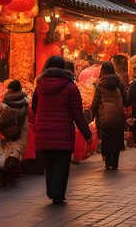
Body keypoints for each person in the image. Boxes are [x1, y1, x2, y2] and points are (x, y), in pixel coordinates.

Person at [31, 56, 92, 204]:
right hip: (63, 132)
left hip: (44, 132)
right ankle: (58, 194)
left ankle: (52, 191)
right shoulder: (71, 87)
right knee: (62, 164)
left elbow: (34, 107)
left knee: (50, 162)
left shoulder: (40, 85)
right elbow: (77, 114)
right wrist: (87, 134)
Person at [0, 80, 29, 186]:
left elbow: (1, 118)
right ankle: (12, 169)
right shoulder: (24, 101)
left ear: (10, 90)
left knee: (6, 150)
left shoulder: (7, 104)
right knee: (16, 149)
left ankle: (5, 175)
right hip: (21, 128)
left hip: (9, 131)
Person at [91, 62, 127, 170]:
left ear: (103, 71)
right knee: (117, 138)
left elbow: (95, 102)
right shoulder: (118, 82)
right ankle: (115, 163)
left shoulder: (100, 84)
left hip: (105, 116)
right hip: (119, 116)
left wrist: (92, 114)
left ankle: (108, 162)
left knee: (106, 139)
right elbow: (125, 98)